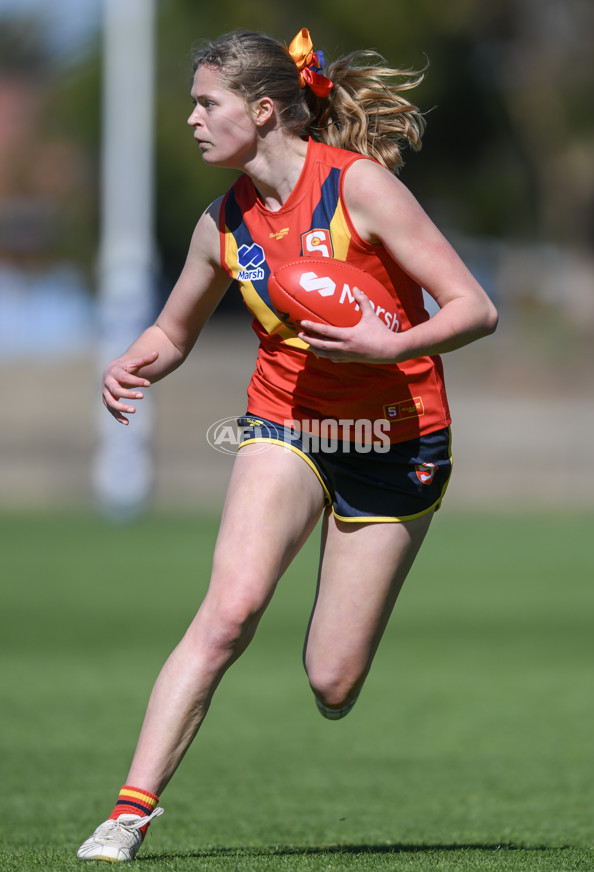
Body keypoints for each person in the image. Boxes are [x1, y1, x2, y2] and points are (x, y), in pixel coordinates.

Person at [76, 27, 498, 862]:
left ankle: (340, 622)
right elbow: (172, 329)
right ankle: (127, 814)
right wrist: (138, 361)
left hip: (396, 436)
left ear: (264, 110)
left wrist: (390, 345)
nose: (192, 119)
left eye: (207, 103)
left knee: (331, 682)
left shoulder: (362, 190)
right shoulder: (221, 222)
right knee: (228, 612)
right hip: (286, 422)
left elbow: (474, 308)